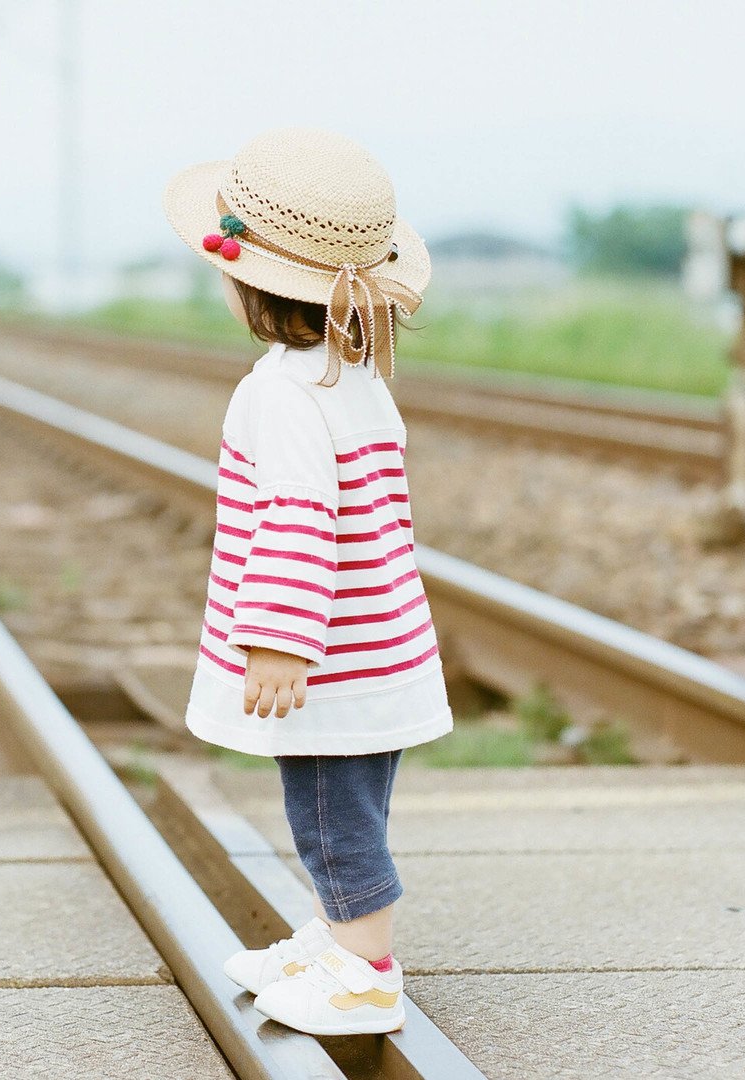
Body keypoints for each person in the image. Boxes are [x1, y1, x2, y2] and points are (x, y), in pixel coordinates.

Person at [163, 128, 451, 1036]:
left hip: (330, 661)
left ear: (243, 280)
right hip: (378, 650)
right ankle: (334, 939)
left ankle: (364, 976)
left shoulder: (280, 393)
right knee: (345, 807)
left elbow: (295, 519)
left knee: (332, 820)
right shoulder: (353, 375)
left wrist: (279, 640)